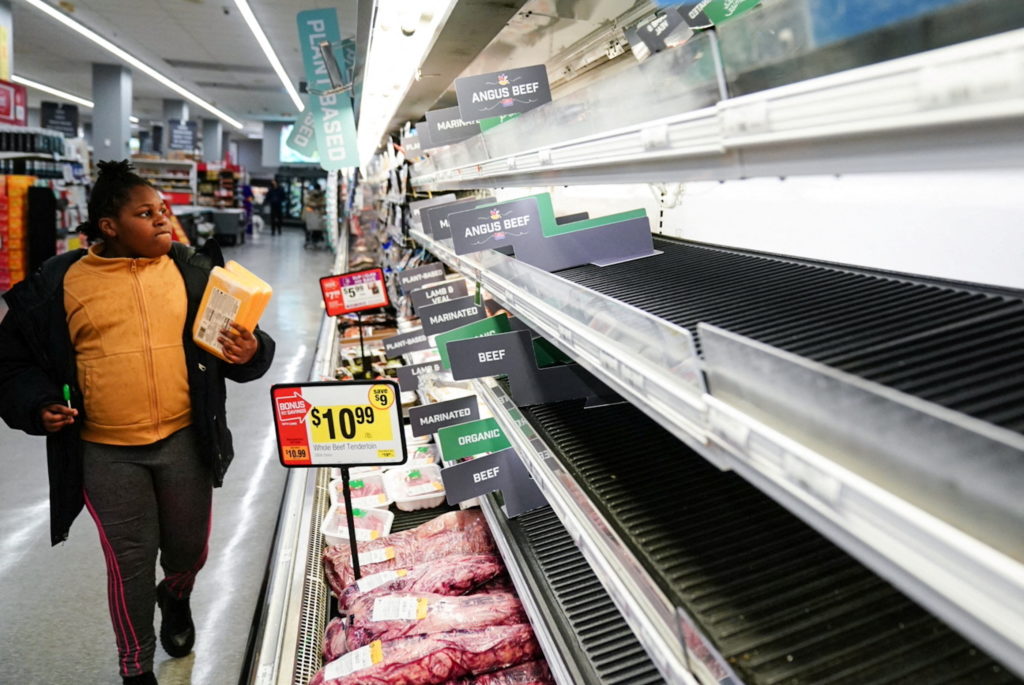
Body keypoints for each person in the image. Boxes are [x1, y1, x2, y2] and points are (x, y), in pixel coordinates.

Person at [0, 160, 276, 685]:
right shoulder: (57, 284)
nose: (162, 220)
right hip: (105, 451)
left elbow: (247, 345)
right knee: (129, 561)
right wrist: (38, 404)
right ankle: (135, 667)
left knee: (189, 550)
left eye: (163, 210)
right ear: (109, 226)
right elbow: (12, 364)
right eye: (146, 214)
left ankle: (176, 593)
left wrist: (250, 350)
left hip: (185, 440)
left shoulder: (193, 272)